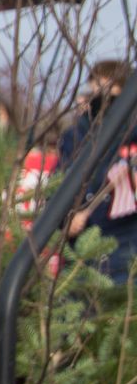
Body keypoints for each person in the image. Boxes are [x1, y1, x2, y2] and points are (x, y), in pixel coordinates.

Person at [61, 60, 136, 282]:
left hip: (127, 251)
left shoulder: (132, 136)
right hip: (83, 256)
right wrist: (67, 216)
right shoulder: (76, 136)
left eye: (109, 97)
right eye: (95, 93)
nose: (100, 102)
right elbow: (57, 186)